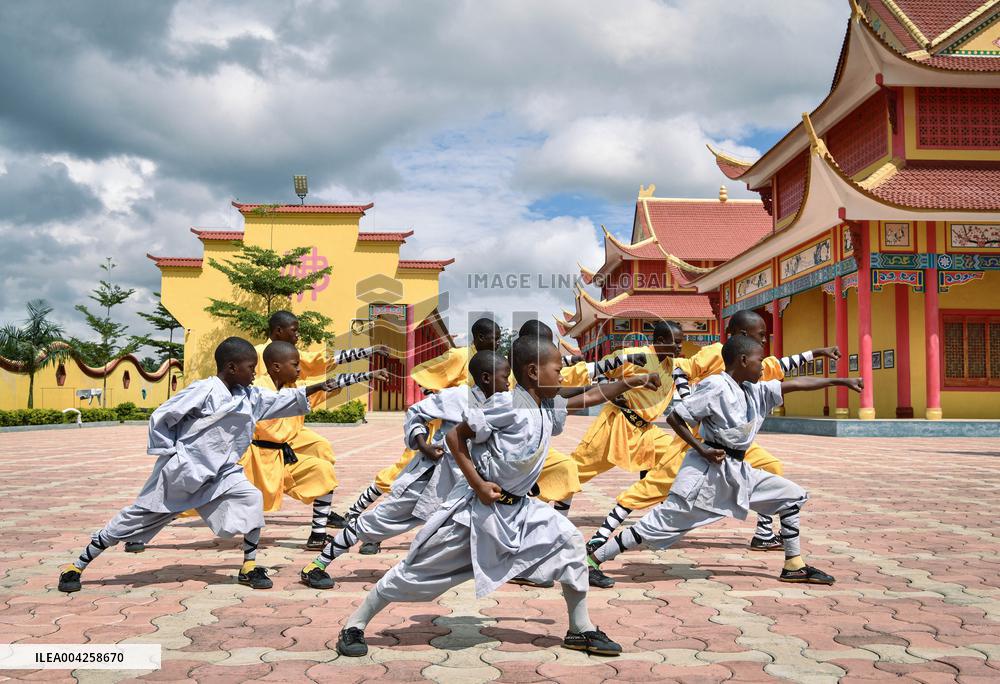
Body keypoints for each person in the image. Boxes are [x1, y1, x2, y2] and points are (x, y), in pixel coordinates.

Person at [333, 335, 662, 658]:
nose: (561, 375)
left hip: (521, 512)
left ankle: (580, 628)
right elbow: (454, 436)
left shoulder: (545, 403)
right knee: (415, 573)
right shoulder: (506, 406)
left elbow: (588, 396)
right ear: (533, 372)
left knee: (571, 543)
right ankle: (354, 625)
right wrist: (477, 484)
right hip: (475, 516)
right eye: (556, 368)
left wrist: (633, 383)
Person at [56, 337, 356, 593]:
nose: (254, 373)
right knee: (132, 520)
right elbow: (162, 415)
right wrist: (171, 453)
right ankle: (77, 565)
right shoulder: (204, 390)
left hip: (221, 473)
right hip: (182, 475)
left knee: (250, 498)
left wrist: (324, 385)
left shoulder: (247, 395)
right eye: (250, 368)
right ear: (231, 367)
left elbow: (282, 399)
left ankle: (249, 567)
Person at [586, 335, 862, 588]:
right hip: (705, 475)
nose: (763, 367)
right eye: (758, 361)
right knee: (658, 525)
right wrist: (702, 449)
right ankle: (594, 560)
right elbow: (676, 418)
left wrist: (838, 381)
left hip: (738, 471)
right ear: (742, 361)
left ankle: (794, 565)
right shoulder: (716, 385)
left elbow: (794, 384)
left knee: (790, 496)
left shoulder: (753, 390)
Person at [299, 350, 510, 589]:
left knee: (498, 522)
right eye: (505, 377)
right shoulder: (457, 397)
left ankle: (518, 568)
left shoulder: (502, 405)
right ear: (486, 378)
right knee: (376, 522)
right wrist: (423, 445)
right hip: (432, 480)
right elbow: (416, 413)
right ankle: (317, 564)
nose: (508, 383)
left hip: (469, 484)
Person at [339, 317, 501, 554]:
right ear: (479, 338)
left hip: (472, 438)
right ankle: (363, 522)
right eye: (494, 337)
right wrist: (443, 400)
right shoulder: (459, 356)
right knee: (402, 476)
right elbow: (421, 373)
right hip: (440, 431)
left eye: (499, 337)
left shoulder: (497, 363)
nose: (497, 342)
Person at [240, 342, 388, 550]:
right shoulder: (259, 389)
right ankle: (248, 563)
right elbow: (280, 400)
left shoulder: (295, 387)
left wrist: (368, 375)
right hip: (256, 462)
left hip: (283, 458)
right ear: (276, 367)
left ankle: (317, 535)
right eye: (295, 365)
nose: (300, 370)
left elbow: (331, 384)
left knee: (322, 470)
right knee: (246, 509)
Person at [547, 321, 689, 537]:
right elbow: (603, 369)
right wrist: (612, 391)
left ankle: (661, 514)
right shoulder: (636, 354)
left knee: (676, 455)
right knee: (576, 471)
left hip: (647, 433)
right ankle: (552, 519)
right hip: (616, 425)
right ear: (660, 341)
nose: (681, 347)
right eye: (677, 343)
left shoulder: (673, 366)